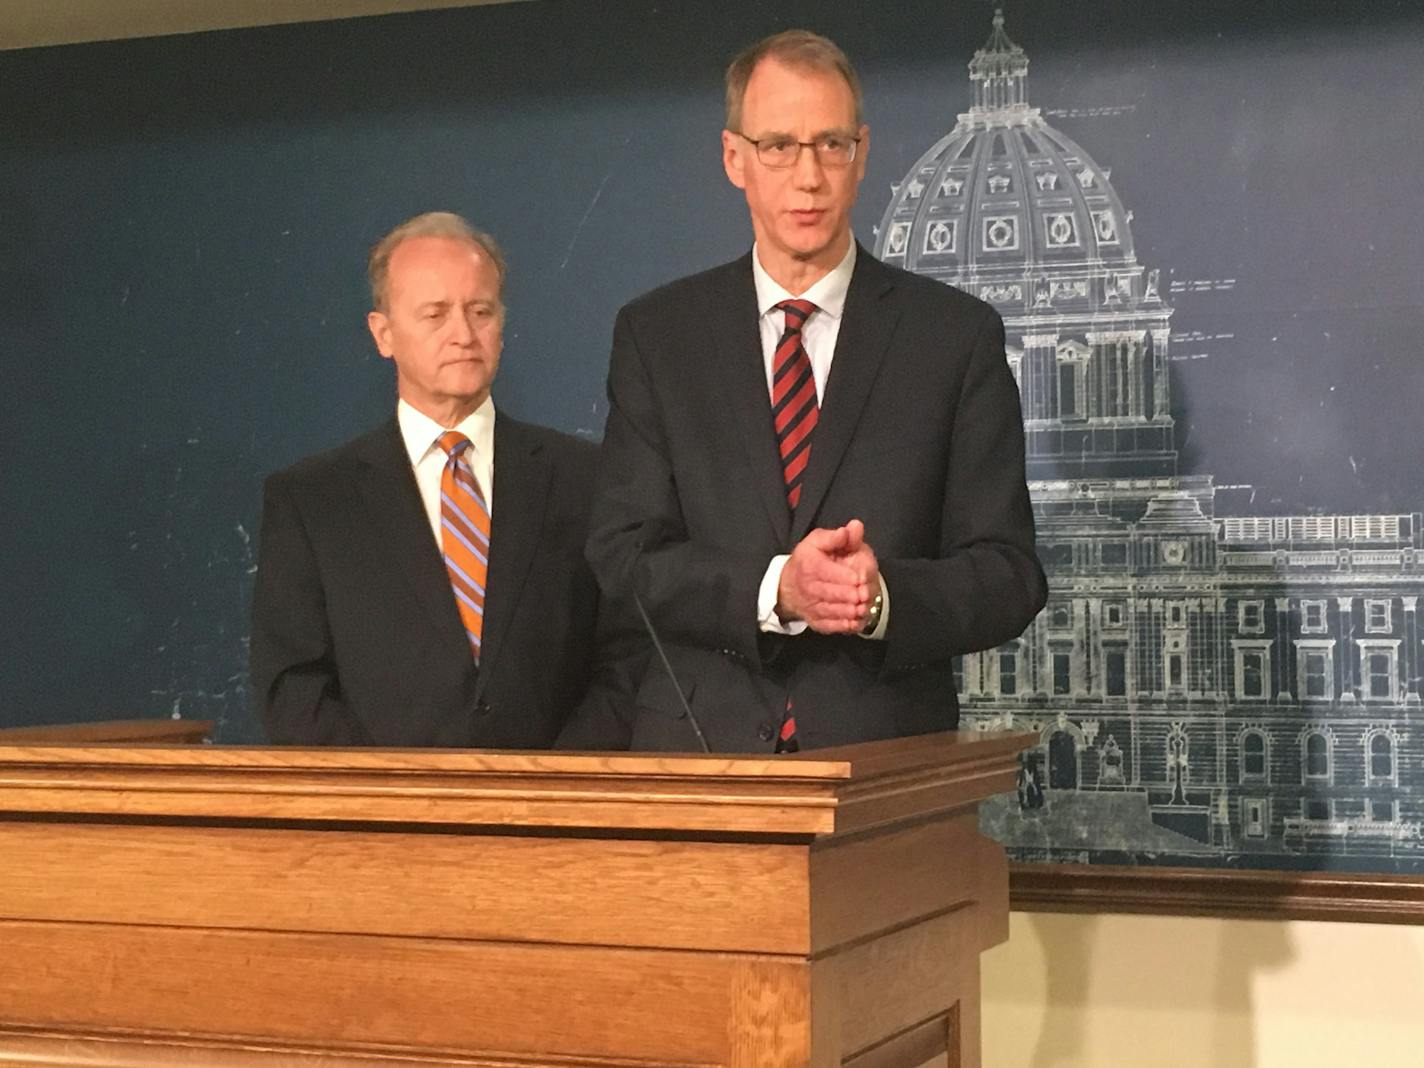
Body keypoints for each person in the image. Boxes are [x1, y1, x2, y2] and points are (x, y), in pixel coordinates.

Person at [579, 30, 1047, 752]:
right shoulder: (658, 335)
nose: (809, 177)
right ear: (735, 158)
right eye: (780, 147)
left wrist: (882, 598)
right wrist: (776, 590)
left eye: (831, 145)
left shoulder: (953, 337)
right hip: (702, 760)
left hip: (884, 763)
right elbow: (623, 553)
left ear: (861, 154)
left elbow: (1008, 573)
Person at [251, 212, 641, 747]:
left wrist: (551, 793)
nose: (463, 334)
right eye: (435, 314)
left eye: (480, 311)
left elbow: (627, 660)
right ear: (383, 334)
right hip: (384, 819)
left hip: (557, 810)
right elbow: (295, 689)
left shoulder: (583, 478)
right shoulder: (313, 500)